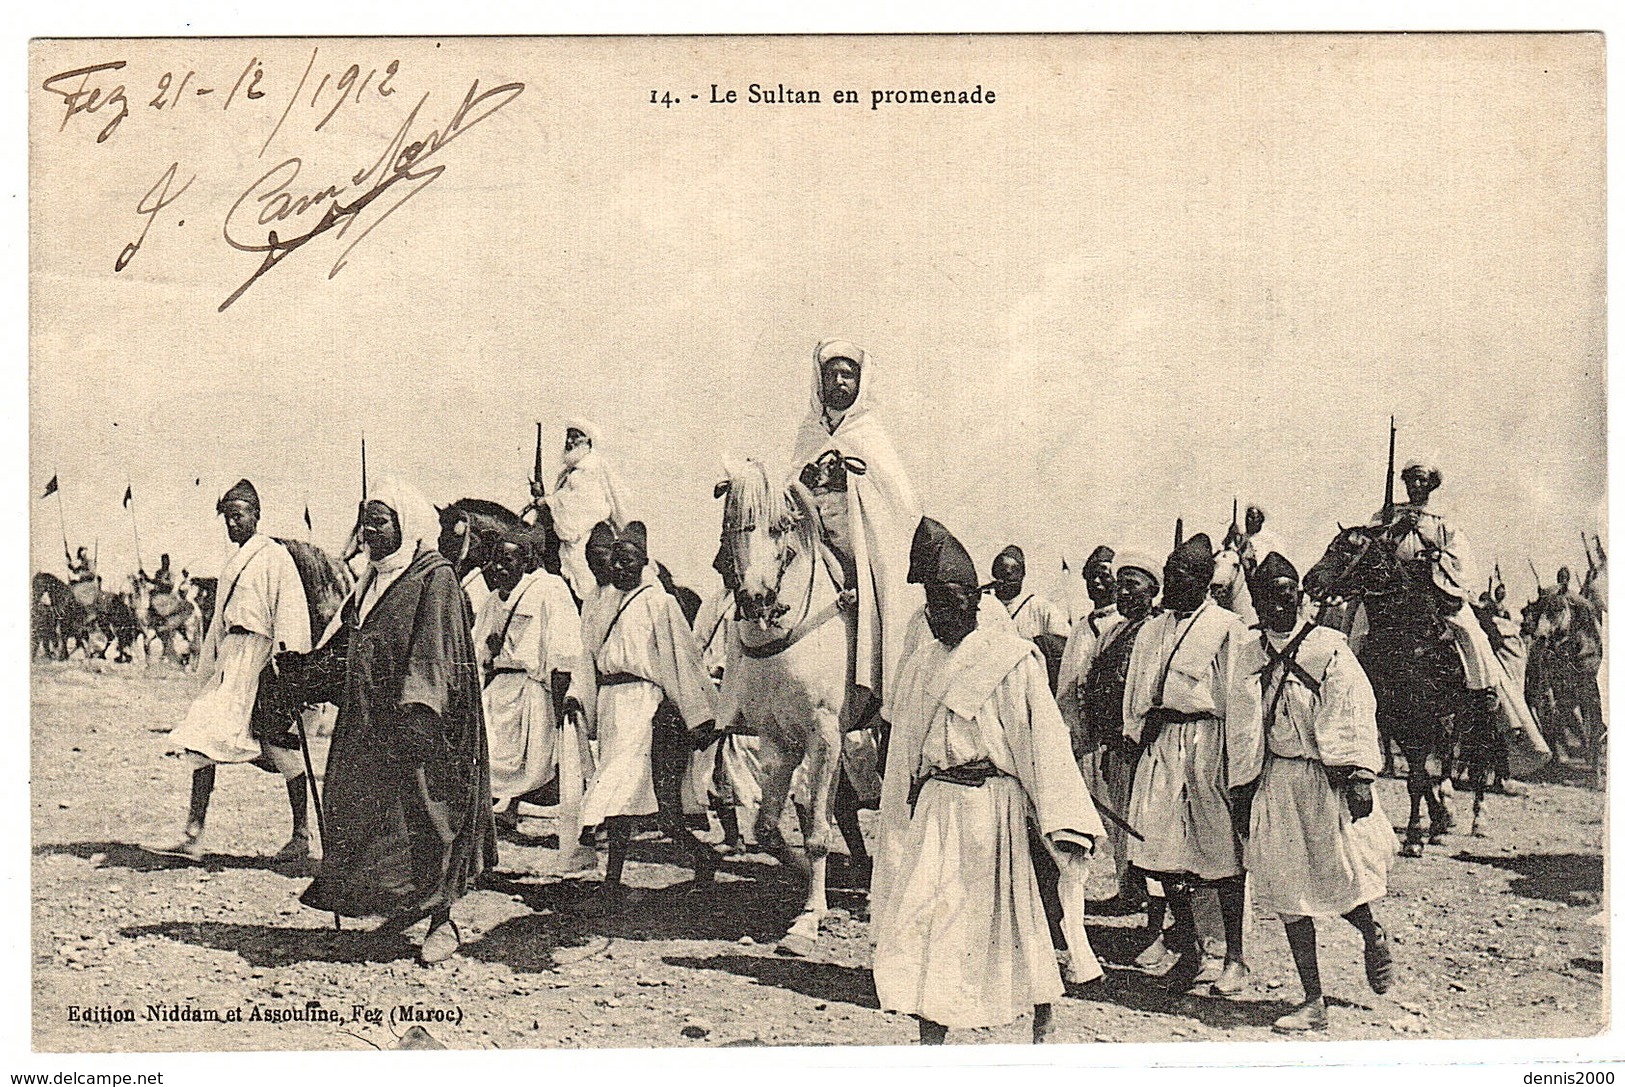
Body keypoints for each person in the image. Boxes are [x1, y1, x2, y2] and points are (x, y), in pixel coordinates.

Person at [872, 520, 1102, 1044]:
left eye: (950, 600)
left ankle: (1043, 1020)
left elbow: (1044, 741)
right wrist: (899, 813)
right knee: (928, 917)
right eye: (932, 602)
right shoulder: (922, 660)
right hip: (936, 807)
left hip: (991, 809)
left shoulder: (1010, 659)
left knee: (1014, 918)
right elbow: (905, 745)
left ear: (973, 603)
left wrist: (1062, 817)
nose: (939, 612)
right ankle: (931, 1037)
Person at [284, 478, 496, 965]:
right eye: (366, 522)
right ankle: (399, 907)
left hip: (424, 725)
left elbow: (436, 650)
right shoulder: (370, 581)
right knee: (373, 815)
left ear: (406, 523)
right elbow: (350, 648)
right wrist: (305, 672)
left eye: (380, 522)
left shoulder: (433, 577)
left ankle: (443, 920)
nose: (369, 532)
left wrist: (421, 708)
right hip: (372, 726)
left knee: (430, 814)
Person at [1230, 552, 1396, 1033]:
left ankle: (1373, 932)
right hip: (1278, 781)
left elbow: (1352, 709)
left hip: (1326, 779)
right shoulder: (1249, 654)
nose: (1280, 605)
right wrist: (1242, 788)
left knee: (1338, 875)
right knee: (1286, 889)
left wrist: (1359, 775)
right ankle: (1312, 1000)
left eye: (1288, 594)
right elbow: (1242, 727)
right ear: (1258, 603)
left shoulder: (1328, 649)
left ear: (1300, 597)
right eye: (1269, 597)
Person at [152, 480, 315, 863]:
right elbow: (219, 621)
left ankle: (302, 836)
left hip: (262, 657)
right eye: (227, 517)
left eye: (238, 516)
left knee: (279, 747)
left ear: (256, 516)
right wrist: (210, 664)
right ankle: (193, 834)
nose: (232, 524)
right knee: (200, 736)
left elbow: (289, 610)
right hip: (232, 656)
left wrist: (288, 663)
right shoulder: (234, 562)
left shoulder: (274, 556)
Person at [1121, 533, 1256, 996]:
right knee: (1161, 854)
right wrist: (1136, 733)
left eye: (1180, 577)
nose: (1169, 585)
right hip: (1162, 744)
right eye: (1168, 575)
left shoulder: (1227, 628)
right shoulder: (1154, 628)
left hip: (1208, 744)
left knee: (1221, 857)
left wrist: (1240, 774)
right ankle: (1192, 949)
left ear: (1203, 581)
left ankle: (1234, 957)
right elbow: (1138, 687)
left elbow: (1242, 703)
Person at [578, 523, 721, 909]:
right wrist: (581, 702)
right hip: (611, 705)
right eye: (616, 561)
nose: (621, 569)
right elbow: (588, 660)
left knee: (626, 794)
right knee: (645, 805)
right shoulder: (599, 602)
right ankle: (702, 858)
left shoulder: (659, 603)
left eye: (629, 562)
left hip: (645, 705)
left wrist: (697, 714)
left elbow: (682, 660)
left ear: (643, 563)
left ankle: (612, 881)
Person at [788, 340, 923, 726]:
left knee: (875, 585)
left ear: (860, 382)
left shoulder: (868, 432)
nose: (840, 381)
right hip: (811, 534)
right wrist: (803, 481)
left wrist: (852, 479)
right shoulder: (808, 433)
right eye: (832, 374)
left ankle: (874, 681)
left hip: (856, 537)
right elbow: (789, 483)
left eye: (848, 374)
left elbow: (897, 498)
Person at [473, 528, 595, 870]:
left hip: (532, 695)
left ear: (526, 561)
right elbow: (476, 646)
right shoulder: (490, 600)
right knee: (482, 767)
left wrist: (562, 705)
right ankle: (482, 855)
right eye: (495, 561)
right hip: (496, 692)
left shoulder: (549, 590)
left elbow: (564, 650)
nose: (498, 568)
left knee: (539, 770)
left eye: (507, 560)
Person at [1061, 550, 1162, 912]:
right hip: (1115, 749)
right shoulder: (1113, 632)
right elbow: (1087, 685)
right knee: (1122, 828)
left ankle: (1160, 918)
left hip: (1150, 751)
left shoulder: (1160, 631)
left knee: (1151, 833)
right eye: (1120, 587)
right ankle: (1131, 893)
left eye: (1131, 586)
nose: (1122, 594)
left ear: (1152, 590)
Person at [545, 420, 631, 600]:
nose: (569, 442)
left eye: (575, 437)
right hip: (568, 529)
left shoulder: (590, 468)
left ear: (588, 442)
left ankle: (589, 602)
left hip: (584, 531)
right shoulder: (570, 471)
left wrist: (548, 502)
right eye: (568, 437)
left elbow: (584, 505)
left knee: (580, 566)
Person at [985, 544, 1072, 692]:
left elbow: (1065, 647)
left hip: (1030, 684)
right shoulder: (986, 606)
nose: (1003, 583)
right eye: (999, 577)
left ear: (1022, 575)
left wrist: (1038, 644)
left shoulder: (1041, 607)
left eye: (1009, 577)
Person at [1238, 504, 1285, 579]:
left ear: (1261, 520)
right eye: (1247, 517)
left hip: (1265, 579)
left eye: (1253, 517)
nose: (1248, 520)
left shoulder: (1272, 539)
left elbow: (1279, 562)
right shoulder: (1240, 538)